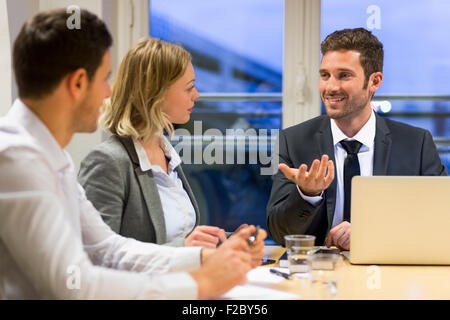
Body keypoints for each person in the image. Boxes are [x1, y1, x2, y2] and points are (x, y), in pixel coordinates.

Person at [0, 8, 266, 300]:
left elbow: (108, 248)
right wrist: (200, 285)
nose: (108, 93)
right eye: (104, 79)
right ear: (77, 84)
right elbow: (75, 284)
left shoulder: (52, 156)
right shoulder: (16, 159)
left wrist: (204, 260)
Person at [266, 28, 447, 251]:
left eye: (344, 75)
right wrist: (307, 195)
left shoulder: (415, 144)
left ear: (374, 81)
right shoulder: (293, 141)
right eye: (325, 75)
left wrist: (372, 232)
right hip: (318, 275)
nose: (330, 87)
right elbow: (279, 233)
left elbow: (440, 223)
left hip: (388, 272)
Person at [78, 38, 238, 248]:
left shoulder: (167, 153)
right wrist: (183, 250)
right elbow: (98, 256)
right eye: (189, 88)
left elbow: (180, 236)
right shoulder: (107, 162)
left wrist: (221, 241)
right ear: (157, 93)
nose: (196, 95)